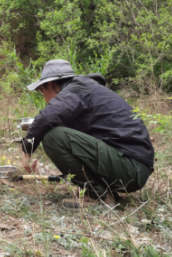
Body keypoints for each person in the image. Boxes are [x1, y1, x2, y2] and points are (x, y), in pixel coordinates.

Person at [21, 59, 154, 208]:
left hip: (131, 168)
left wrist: (27, 150)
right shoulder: (85, 91)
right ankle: (104, 191)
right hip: (132, 168)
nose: (43, 96)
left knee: (53, 137)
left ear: (50, 84)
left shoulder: (78, 88)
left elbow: (47, 117)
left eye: (41, 91)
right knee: (58, 132)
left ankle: (97, 195)